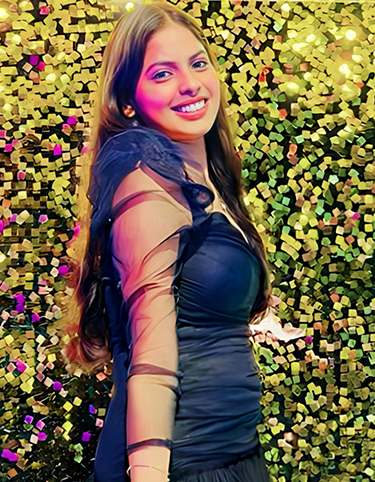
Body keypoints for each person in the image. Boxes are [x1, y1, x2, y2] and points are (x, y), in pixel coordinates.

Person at [71, 2, 305, 481]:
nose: (190, 84)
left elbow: (196, 307)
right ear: (128, 101)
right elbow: (152, 353)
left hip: (232, 453)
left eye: (198, 63)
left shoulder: (206, 182)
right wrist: (149, 471)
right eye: (162, 73)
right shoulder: (146, 188)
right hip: (177, 464)